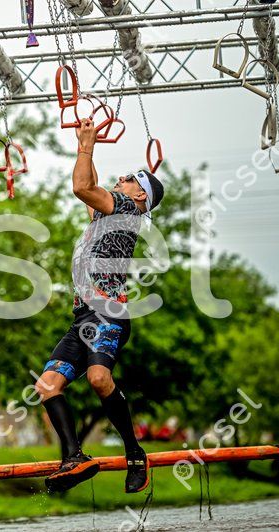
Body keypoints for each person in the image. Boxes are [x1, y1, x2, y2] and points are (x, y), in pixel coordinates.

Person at [35, 117, 165, 494]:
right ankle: (73, 456)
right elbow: (89, 186)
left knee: (97, 378)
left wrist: (86, 147)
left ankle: (134, 452)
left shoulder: (128, 209)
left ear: (140, 196)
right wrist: (85, 141)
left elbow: (82, 187)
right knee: (47, 385)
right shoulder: (110, 212)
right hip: (84, 317)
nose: (121, 178)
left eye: (130, 178)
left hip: (109, 313)